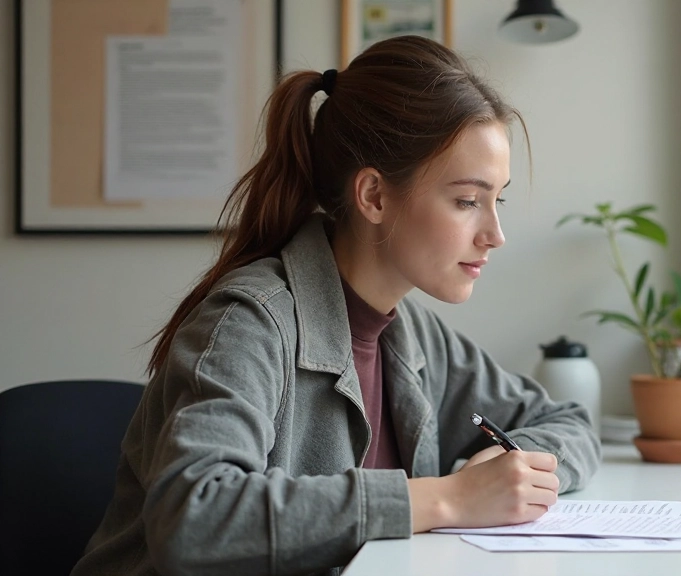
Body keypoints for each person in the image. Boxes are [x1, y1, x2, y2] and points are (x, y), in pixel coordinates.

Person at [70, 35, 600, 576]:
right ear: (373, 195)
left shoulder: (411, 332)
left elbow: (568, 423)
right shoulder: (248, 324)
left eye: (497, 199)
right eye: (467, 201)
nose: (495, 234)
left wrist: (507, 464)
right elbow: (197, 518)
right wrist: (448, 498)